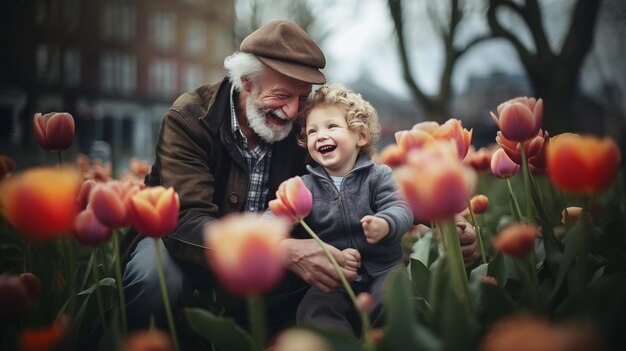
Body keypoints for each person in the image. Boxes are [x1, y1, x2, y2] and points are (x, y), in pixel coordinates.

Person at [120, 19, 479, 339]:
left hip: (281, 265)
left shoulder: (303, 126)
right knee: (156, 278)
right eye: (280, 95)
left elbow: (360, 177)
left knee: (334, 298)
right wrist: (278, 251)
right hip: (187, 250)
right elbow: (184, 224)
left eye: (302, 98)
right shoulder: (190, 120)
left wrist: (440, 216)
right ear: (246, 82)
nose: (292, 111)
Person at [287, 83, 414, 336]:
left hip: (383, 269)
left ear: (360, 136)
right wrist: (266, 229)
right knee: (313, 309)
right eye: (312, 131)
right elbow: (281, 214)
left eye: (331, 126)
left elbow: (401, 207)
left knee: (393, 301)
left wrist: (386, 223)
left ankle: (387, 342)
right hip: (336, 274)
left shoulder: (379, 176)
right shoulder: (305, 185)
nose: (320, 135)